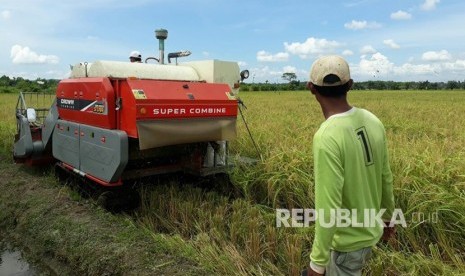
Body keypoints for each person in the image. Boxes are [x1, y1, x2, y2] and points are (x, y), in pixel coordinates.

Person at [303, 56, 395, 276]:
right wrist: (388, 218)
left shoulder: (327, 136)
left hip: (346, 245)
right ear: (350, 85)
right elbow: (386, 177)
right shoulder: (372, 120)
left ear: (311, 89)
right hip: (369, 235)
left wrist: (317, 264)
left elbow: (329, 206)